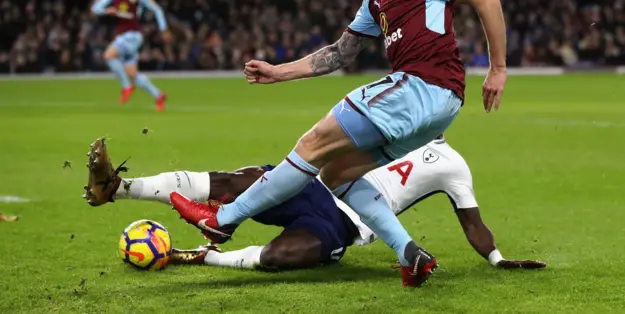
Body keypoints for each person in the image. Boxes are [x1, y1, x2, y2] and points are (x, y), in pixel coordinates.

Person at [171, 0, 508, 287]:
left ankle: (222, 220)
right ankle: (410, 254)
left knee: (313, 143)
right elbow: (340, 53)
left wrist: (497, 68)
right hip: (438, 107)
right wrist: (277, 72)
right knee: (336, 174)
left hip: (421, 86)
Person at [81, 137, 545, 279]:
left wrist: (498, 259)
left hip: (345, 227)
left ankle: (199, 255)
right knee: (233, 181)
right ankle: (118, 188)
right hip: (313, 188)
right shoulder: (393, 118)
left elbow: (474, 224)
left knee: (286, 258)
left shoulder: (452, 165)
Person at [91, 0, 169, 111]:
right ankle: (158, 95)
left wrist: (163, 28)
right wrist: (108, 10)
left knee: (108, 56)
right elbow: (95, 8)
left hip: (133, 35)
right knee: (132, 73)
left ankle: (126, 87)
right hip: (123, 35)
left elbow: (157, 9)